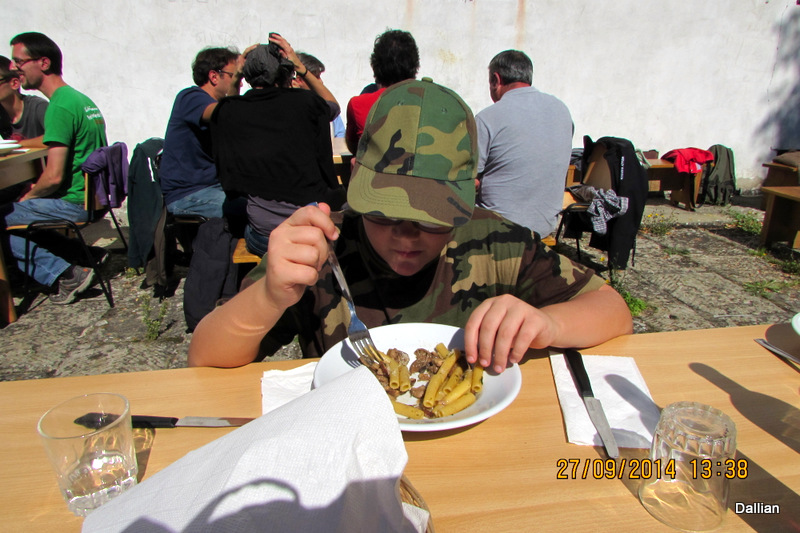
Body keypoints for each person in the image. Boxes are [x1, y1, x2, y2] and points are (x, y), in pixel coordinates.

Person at [188, 78, 632, 373]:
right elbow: (204, 357)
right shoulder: (321, 250)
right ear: (355, 181)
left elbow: (613, 311)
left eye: (432, 219)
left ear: (468, 196)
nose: (404, 236)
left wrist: (547, 324)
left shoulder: (495, 242)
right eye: (382, 213)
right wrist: (269, 295)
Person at [211, 34, 345, 257]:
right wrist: (301, 67)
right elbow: (333, 106)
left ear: (248, 75)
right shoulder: (306, 104)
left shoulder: (231, 111)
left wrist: (236, 77)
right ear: (287, 72)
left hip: (263, 236)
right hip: (306, 231)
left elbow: (227, 106)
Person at [0, 32, 107, 304]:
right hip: (94, 197)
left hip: (75, 203)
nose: (14, 68)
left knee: (6, 213)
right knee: (17, 211)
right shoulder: (78, 99)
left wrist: (28, 196)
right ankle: (83, 255)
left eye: (19, 62)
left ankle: (67, 274)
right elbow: (55, 146)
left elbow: (54, 177)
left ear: (43, 63)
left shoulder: (58, 107)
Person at [475, 50, 573, 237]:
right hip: (544, 226)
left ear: (496, 79)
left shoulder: (488, 117)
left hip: (497, 226)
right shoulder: (561, 110)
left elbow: (469, 178)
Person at [159, 46, 244, 219]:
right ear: (214, 76)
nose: (240, 83)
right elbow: (222, 113)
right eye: (234, 76)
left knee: (266, 204)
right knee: (253, 213)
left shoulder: (219, 106)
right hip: (187, 195)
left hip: (213, 188)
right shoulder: (190, 97)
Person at [344, 29, 419, 154]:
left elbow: (355, 148)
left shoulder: (358, 104)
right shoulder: (431, 101)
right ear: (415, 65)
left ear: (375, 65)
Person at [295, 52, 345, 138]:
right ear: (299, 80)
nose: (321, 81)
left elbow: (340, 134)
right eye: (316, 77)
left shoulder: (323, 103)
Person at [0, 55, 47, 143]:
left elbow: (56, 137)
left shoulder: (38, 107)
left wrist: (18, 144)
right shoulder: (2, 115)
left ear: (14, 83)